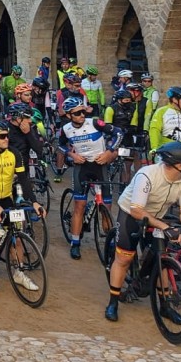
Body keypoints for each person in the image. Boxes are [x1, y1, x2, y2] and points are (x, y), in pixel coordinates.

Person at [104, 141, 181, 322]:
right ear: (179, 165)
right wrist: (165, 227)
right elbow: (137, 210)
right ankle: (113, 302)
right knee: (124, 258)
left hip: (156, 216)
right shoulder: (147, 175)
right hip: (131, 214)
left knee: (160, 259)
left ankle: (165, 306)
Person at [0, 120, 45, 292]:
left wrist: (34, 202)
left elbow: (23, 180)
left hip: (8, 197)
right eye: (2, 136)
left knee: (18, 236)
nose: (7, 139)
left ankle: (19, 273)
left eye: (7, 135)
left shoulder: (14, 153)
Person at [57, 97, 121, 260]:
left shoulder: (94, 123)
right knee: (79, 206)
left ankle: (110, 243)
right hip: (82, 168)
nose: (82, 115)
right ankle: (75, 243)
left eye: (83, 111)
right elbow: (59, 145)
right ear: (70, 115)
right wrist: (71, 155)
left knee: (107, 207)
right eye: (77, 113)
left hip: (100, 166)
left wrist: (109, 151)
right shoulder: (66, 129)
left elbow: (118, 132)